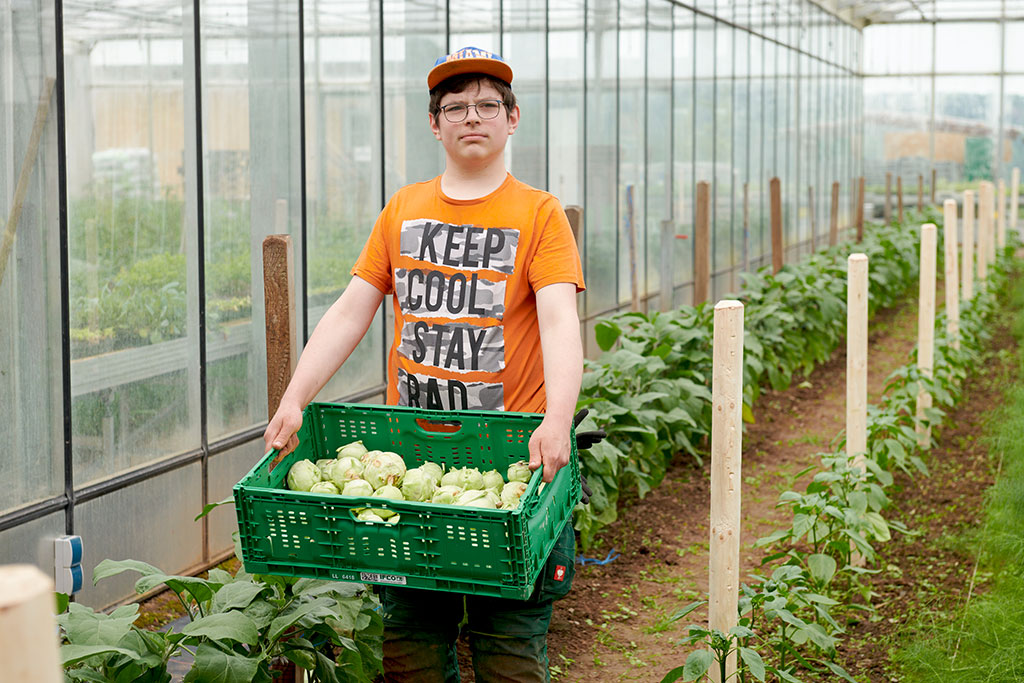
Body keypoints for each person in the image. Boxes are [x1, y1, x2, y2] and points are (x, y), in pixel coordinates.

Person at [263, 46, 586, 681]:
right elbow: (351, 311)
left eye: (488, 105)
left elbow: (558, 322)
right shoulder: (404, 209)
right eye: (456, 107)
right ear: (434, 124)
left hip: (511, 459)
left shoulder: (540, 214)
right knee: (409, 638)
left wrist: (557, 419)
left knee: (511, 641)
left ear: (513, 118)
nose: (473, 117)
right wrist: (295, 396)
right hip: (412, 457)